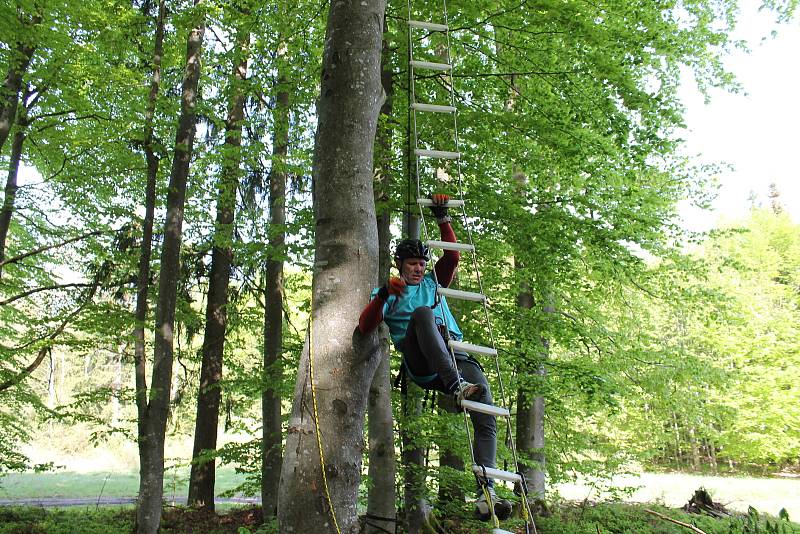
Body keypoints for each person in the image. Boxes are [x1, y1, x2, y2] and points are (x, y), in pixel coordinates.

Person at [357, 194, 512, 521]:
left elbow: (452, 258)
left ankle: (487, 492)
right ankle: (457, 386)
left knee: (485, 411)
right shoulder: (390, 291)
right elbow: (366, 324)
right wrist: (384, 294)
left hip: (454, 353)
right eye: (412, 264)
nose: (418, 269)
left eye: (421, 264)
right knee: (425, 314)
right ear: (399, 265)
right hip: (423, 363)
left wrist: (443, 218)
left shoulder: (433, 282)